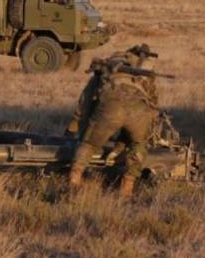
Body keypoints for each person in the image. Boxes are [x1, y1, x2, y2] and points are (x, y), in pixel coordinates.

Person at [66, 44, 161, 198]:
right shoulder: (145, 72)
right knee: (138, 145)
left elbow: (85, 103)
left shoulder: (108, 66)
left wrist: (75, 127)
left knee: (89, 144)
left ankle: (74, 179)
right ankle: (127, 186)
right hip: (139, 110)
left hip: (111, 106)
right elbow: (154, 106)